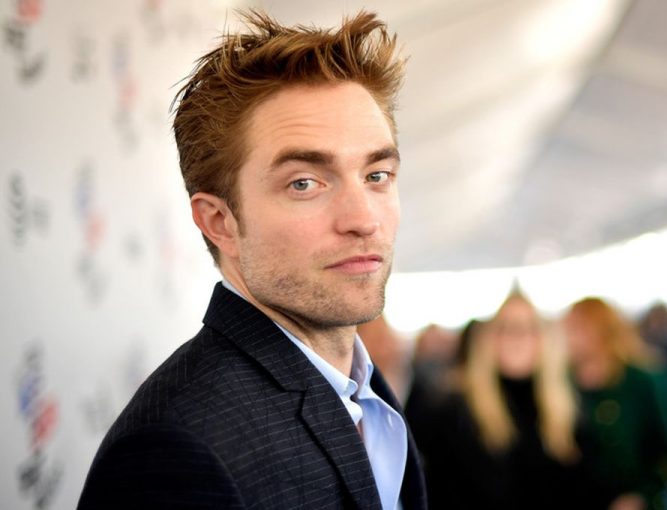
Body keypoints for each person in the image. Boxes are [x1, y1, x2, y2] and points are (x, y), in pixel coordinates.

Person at [77, 10, 426, 510]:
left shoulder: (363, 390)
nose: (364, 219)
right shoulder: (178, 451)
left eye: (377, 176)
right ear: (220, 222)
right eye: (304, 183)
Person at [415, 292, 584, 509]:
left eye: (529, 328)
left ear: (545, 339)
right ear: (488, 339)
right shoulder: (454, 411)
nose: (517, 338)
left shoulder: (568, 410)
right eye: (506, 328)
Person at [563, 297, 667, 510]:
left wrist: (643, 494)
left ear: (601, 331)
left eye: (579, 328)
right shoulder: (563, 384)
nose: (571, 337)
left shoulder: (641, 380)